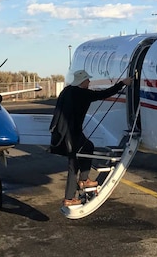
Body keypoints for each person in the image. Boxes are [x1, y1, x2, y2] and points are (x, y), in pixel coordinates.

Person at [50, 70, 132, 207]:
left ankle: (84, 179)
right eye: (87, 80)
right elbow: (104, 94)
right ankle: (69, 199)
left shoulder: (67, 90)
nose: (89, 82)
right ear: (82, 82)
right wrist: (122, 84)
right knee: (73, 165)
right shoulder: (83, 94)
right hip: (70, 134)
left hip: (65, 131)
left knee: (88, 146)